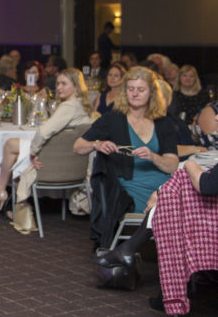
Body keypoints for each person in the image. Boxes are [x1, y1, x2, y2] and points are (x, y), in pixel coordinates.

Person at [95, 91, 218, 269]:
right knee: (170, 199)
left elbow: (207, 186)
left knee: (168, 203)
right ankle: (128, 250)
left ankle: (129, 250)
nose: (216, 118)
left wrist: (189, 165)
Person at [73, 66, 179, 249]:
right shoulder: (113, 119)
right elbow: (78, 146)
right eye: (131, 89)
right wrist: (96, 145)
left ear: (151, 93)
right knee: (161, 209)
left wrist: (153, 157)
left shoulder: (163, 123)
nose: (135, 94)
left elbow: (172, 166)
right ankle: (131, 250)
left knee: (186, 205)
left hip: (162, 187)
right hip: (129, 189)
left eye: (141, 89)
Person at [0, 68, 95, 212]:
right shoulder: (81, 104)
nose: (59, 87)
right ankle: (11, 199)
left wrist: (33, 153)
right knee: (16, 151)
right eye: (58, 84)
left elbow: (43, 132)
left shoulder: (69, 106)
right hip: (72, 161)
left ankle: (4, 194)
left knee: (10, 145)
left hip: (56, 161)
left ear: (75, 86)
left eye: (64, 84)